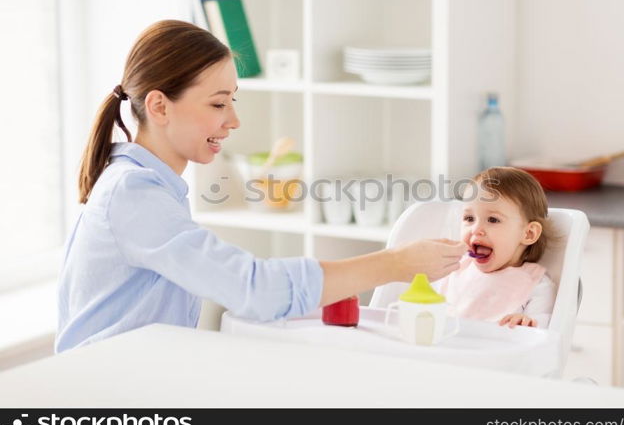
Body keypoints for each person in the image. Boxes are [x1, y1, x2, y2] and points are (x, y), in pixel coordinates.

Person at [55, 20, 467, 352]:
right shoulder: (134, 195)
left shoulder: (146, 187)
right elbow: (254, 288)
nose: (233, 120)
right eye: (218, 103)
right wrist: (397, 263)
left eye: (233, 100)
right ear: (159, 106)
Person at [436, 167, 556, 328]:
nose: (475, 229)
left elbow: (543, 337)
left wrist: (526, 323)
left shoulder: (537, 285)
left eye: (493, 220)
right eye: (469, 218)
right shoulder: (456, 269)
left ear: (528, 234)